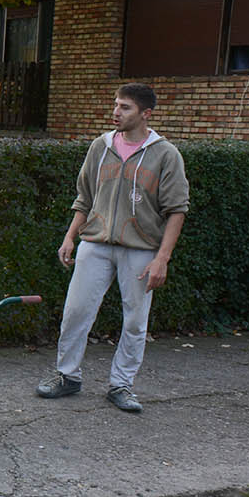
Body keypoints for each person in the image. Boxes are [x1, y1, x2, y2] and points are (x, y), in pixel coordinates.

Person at [36, 83, 189, 413]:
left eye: (125, 107)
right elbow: (85, 197)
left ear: (146, 114)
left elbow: (177, 210)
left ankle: (121, 385)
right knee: (75, 311)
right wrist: (70, 236)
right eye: (116, 105)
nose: (116, 112)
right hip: (96, 243)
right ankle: (67, 376)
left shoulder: (166, 155)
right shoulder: (100, 147)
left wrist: (162, 259)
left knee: (135, 321)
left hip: (141, 250)